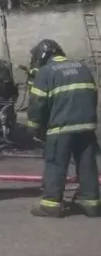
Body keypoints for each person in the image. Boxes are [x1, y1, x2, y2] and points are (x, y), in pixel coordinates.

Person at [25, 39, 99, 217]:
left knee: (55, 164)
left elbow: (38, 105)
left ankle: (51, 204)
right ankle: (91, 204)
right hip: (86, 127)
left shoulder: (46, 72)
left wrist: (35, 128)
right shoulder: (82, 68)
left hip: (61, 128)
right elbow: (93, 95)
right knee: (87, 165)